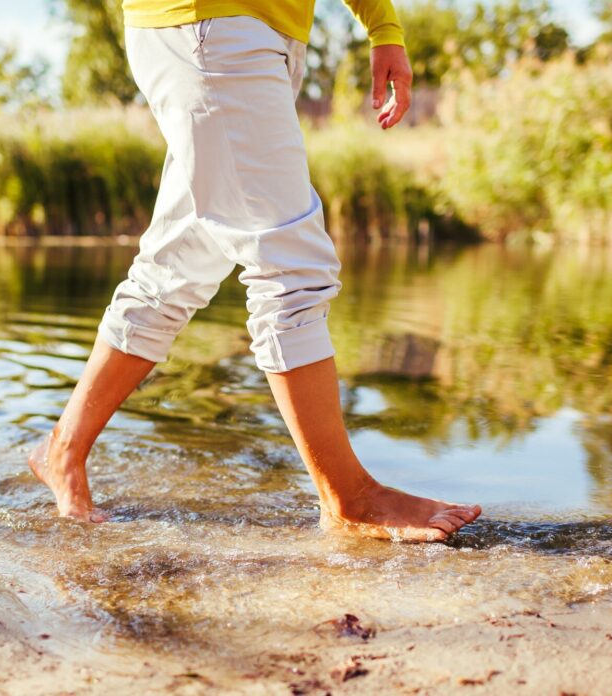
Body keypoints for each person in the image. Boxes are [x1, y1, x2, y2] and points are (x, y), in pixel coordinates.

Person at [29, 0, 481, 541]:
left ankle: (64, 449)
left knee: (181, 262)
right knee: (291, 264)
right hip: (212, 24)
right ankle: (348, 498)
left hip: (258, 31)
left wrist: (382, 24)